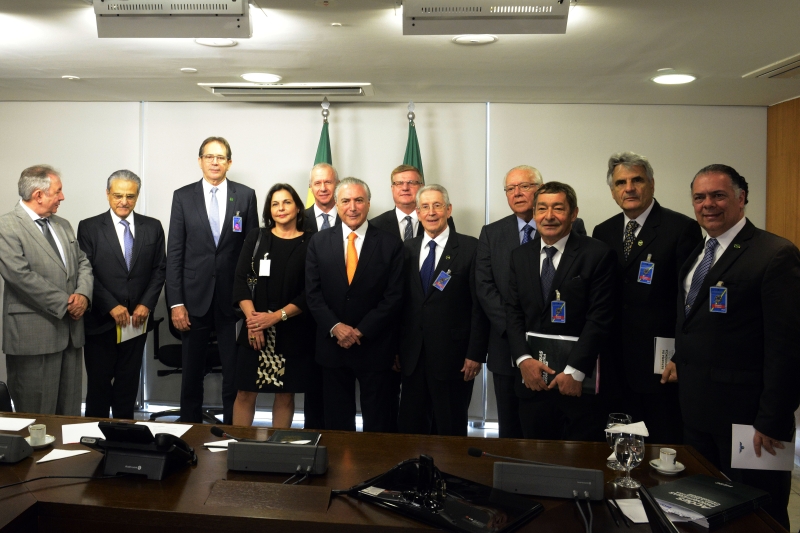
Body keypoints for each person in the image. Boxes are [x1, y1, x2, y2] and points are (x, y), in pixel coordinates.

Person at [662, 164, 800, 529]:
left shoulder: (775, 254)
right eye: (699, 197)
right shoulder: (697, 253)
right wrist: (678, 357)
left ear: (741, 198)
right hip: (698, 415)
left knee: (759, 516)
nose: (708, 204)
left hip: (751, 424)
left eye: (718, 195)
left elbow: (787, 347)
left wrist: (772, 420)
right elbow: (697, 322)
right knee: (706, 510)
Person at [592, 152, 701, 443]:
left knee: (661, 442)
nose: (629, 188)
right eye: (621, 183)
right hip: (613, 362)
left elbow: (691, 300)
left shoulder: (681, 229)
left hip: (660, 364)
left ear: (651, 184)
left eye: (637, 180)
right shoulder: (603, 232)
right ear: (613, 191)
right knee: (618, 442)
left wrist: (680, 355)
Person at [476, 165, 586, 438]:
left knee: (552, 433)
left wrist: (540, 332)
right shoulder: (491, 232)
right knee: (510, 430)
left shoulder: (570, 226)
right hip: (506, 348)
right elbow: (485, 286)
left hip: (557, 349)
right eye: (510, 188)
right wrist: (517, 333)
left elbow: (577, 287)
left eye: (524, 186)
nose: (517, 193)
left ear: (539, 190)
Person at [505, 181, 615, 441]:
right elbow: (513, 312)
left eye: (558, 208)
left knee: (579, 460)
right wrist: (523, 360)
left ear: (573, 213)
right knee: (535, 457)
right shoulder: (519, 256)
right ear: (534, 214)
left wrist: (575, 371)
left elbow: (599, 318)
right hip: (533, 383)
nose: (549, 216)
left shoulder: (597, 254)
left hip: (577, 386)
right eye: (542, 208)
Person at [165, 137, 258, 424]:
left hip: (232, 300)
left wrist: (250, 300)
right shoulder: (183, 197)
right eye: (209, 157)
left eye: (220, 157)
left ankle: (231, 427)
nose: (214, 162)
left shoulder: (245, 195)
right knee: (192, 371)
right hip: (193, 298)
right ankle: (189, 426)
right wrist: (176, 303)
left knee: (233, 370)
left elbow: (251, 252)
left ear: (229, 162)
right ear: (200, 161)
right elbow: (175, 253)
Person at [305, 177, 404, 432]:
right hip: (332, 347)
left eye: (359, 200)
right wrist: (335, 327)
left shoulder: (390, 244)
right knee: (337, 425)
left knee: (378, 425)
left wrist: (360, 331)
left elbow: (394, 297)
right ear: (336, 204)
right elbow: (313, 294)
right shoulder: (318, 242)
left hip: (375, 347)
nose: (352, 207)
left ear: (368, 203)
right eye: (346, 201)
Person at [0, 165, 93, 416]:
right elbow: (19, 276)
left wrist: (83, 295)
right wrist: (67, 303)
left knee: (69, 415)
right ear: (39, 195)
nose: (62, 197)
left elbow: (83, 262)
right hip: (34, 336)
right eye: (58, 191)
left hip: (71, 335)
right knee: (36, 417)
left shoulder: (63, 225)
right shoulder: (6, 226)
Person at [397, 185, 488, 436]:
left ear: (448, 209)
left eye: (437, 206)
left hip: (454, 358)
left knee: (450, 429)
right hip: (413, 357)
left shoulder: (470, 248)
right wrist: (396, 349)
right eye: (425, 207)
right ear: (417, 212)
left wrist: (475, 353)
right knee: (410, 429)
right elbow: (400, 304)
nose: (431, 212)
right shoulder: (406, 249)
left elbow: (479, 306)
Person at [77, 170, 167, 420]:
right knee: (99, 386)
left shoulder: (153, 227)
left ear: (137, 196)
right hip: (101, 321)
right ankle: (95, 435)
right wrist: (111, 305)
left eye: (130, 196)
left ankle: (124, 435)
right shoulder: (89, 227)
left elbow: (160, 269)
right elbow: (85, 272)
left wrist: (146, 304)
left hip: (136, 322)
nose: (124, 202)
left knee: (128, 385)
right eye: (118, 195)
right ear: (107, 194)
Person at [231, 184, 318, 428]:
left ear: (298, 207)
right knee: (245, 392)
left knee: (285, 394)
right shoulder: (257, 237)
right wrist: (254, 323)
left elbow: (310, 291)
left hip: (292, 329)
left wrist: (276, 317)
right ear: (269, 210)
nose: (281, 208)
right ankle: (240, 444)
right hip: (254, 329)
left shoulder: (311, 241)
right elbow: (241, 281)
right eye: (275, 204)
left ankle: (277, 447)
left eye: (287, 202)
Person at [370, 164, 424, 241]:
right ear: (392, 188)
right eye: (399, 183)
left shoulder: (436, 222)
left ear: (421, 187)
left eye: (411, 182)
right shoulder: (374, 226)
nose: (405, 188)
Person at [304, 163, 341, 233]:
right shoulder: (299, 219)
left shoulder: (349, 217)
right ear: (311, 187)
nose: (323, 189)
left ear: (338, 185)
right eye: (317, 183)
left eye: (328, 182)